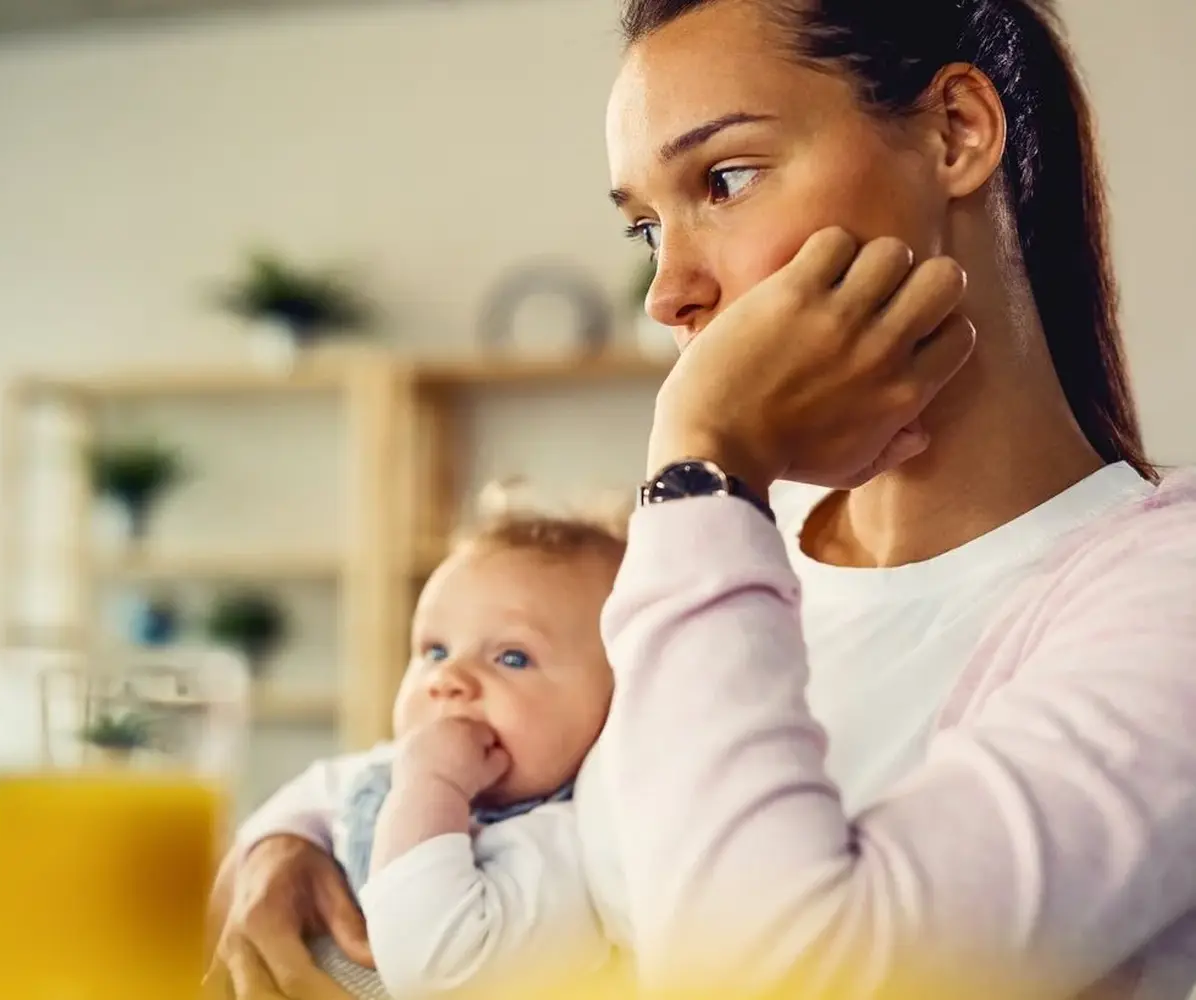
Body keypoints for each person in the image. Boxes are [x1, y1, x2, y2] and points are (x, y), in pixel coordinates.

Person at [208, 0, 1196, 997]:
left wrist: (702, 462)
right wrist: (289, 841)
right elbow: (485, 746)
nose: (665, 288)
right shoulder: (729, 547)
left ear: (956, 132)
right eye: (646, 226)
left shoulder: (1162, 592)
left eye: (724, 179)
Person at [223, 487, 626, 1000]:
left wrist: (430, 786)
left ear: (617, 703)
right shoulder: (393, 769)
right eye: (434, 649)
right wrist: (279, 836)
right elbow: (292, 807)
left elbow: (437, 966)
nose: (448, 677)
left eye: (512, 657)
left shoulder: (564, 847)